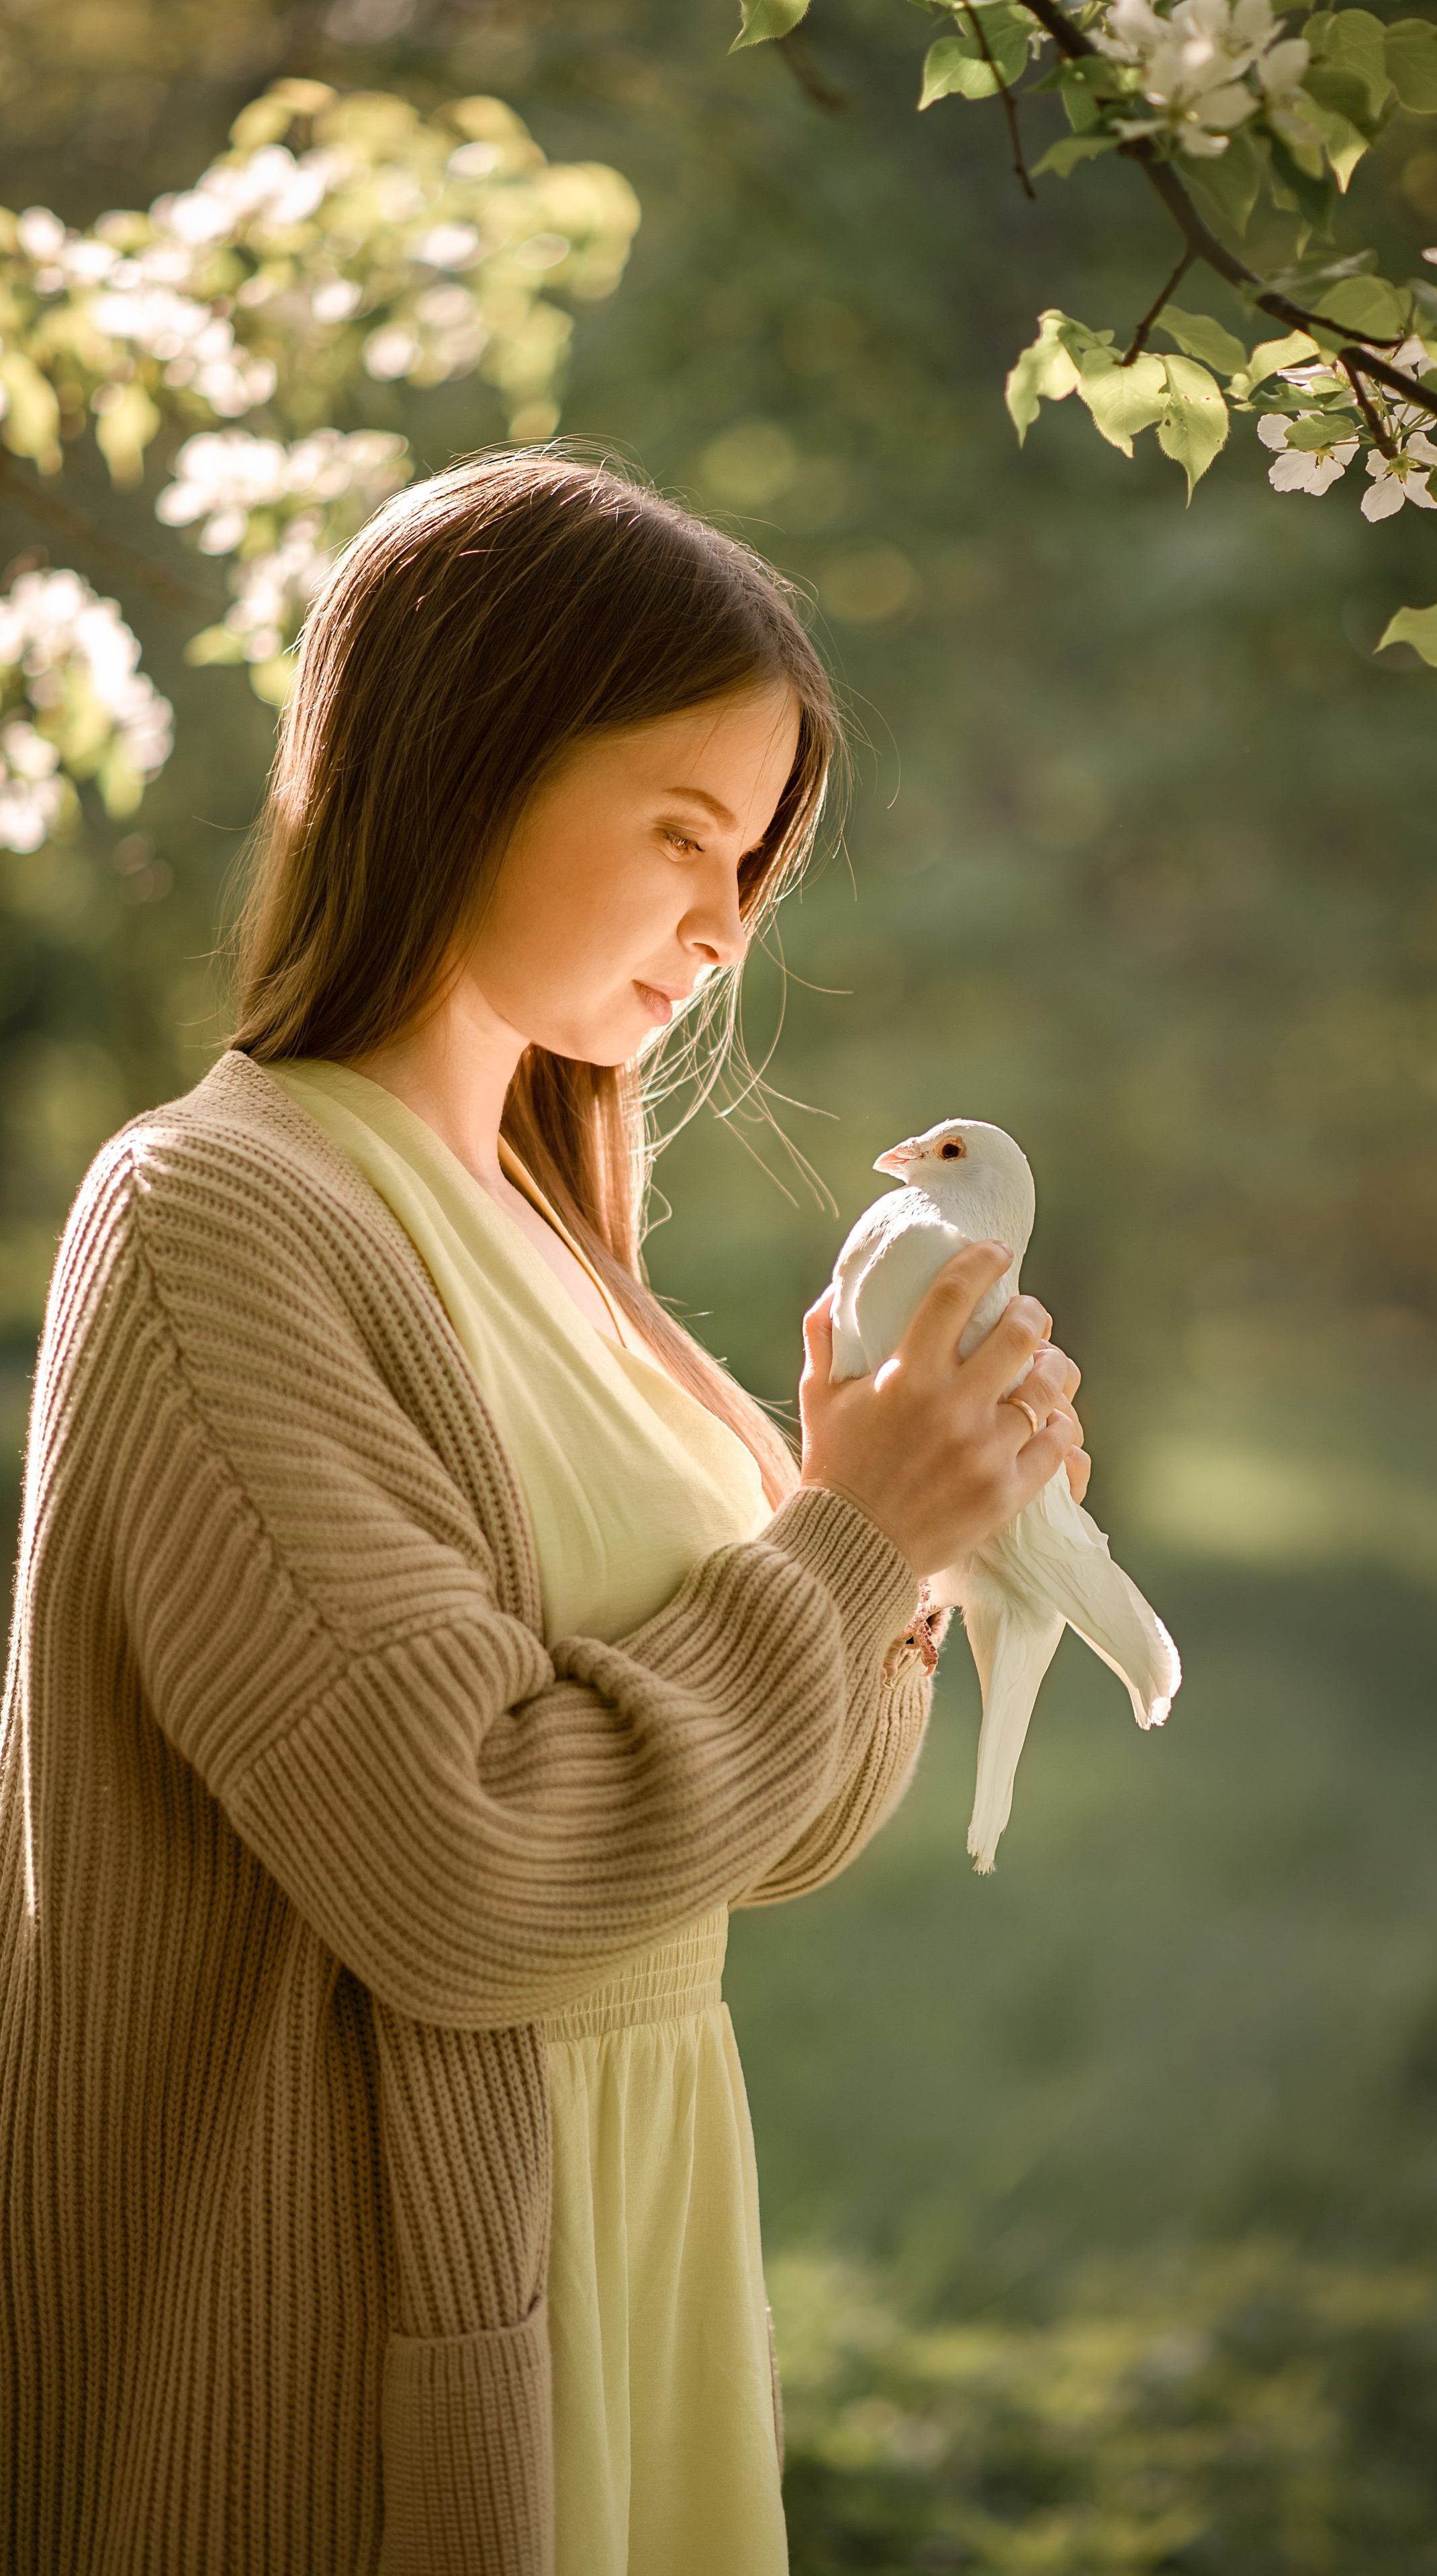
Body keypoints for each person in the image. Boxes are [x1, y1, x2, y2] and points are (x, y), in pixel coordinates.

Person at [0, 452, 1087, 2575]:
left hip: (629, 2235)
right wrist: (845, 1544)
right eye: (682, 829)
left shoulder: (559, 1245)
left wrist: (916, 1513)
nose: (722, 919)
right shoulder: (224, 1210)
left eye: (755, 859)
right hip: (351, 2321)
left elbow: (772, 1827)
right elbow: (466, 1868)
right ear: (461, 758)